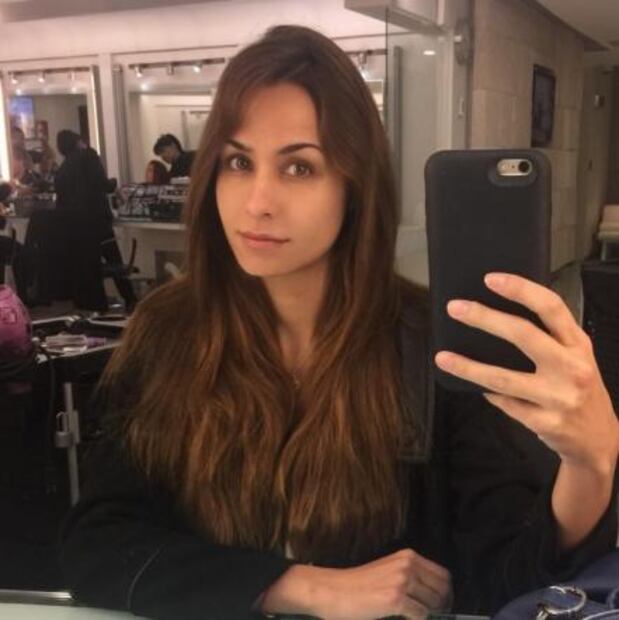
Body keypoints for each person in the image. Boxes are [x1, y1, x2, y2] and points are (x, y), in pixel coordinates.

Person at [60, 25, 618, 620]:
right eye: (238, 162)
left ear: (356, 185)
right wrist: (301, 585)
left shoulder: (428, 348)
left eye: (299, 168)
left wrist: (594, 462)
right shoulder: (170, 332)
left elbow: (505, 582)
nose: (257, 202)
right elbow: (98, 545)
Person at [53, 130, 136, 311]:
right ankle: (130, 299)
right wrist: (114, 183)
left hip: (75, 227)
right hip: (97, 221)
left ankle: (98, 305)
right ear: (78, 142)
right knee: (114, 260)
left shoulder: (62, 171)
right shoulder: (89, 156)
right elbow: (102, 183)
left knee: (88, 267)